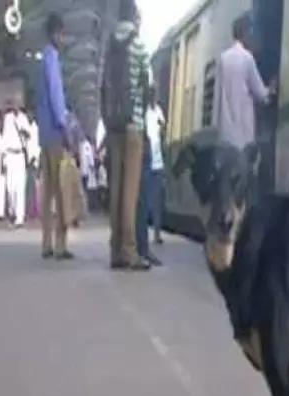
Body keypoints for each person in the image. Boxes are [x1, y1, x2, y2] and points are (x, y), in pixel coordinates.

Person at [101, 0, 150, 271]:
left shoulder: (110, 46)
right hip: (133, 126)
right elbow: (148, 84)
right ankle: (129, 251)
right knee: (130, 191)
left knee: (116, 189)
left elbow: (102, 86)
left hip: (113, 127)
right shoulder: (138, 45)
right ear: (134, 16)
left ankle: (115, 250)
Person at [36, 12, 75, 260]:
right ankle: (60, 245)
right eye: (63, 34)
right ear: (55, 34)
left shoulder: (43, 60)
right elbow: (56, 97)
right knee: (61, 191)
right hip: (55, 134)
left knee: (47, 191)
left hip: (44, 134)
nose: (65, 38)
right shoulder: (52, 60)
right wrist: (66, 128)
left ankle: (46, 243)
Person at [215, 15, 276, 151]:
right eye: (251, 31)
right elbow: (261, 95)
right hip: (243, 137)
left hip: (225, 137)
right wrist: (272, 88)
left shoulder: (223, 59)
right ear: (245, 33)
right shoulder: (247, 58)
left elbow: (218, 98)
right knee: (243, 170)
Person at [138, 85, 165, 266]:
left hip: (157, 161)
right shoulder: (142, 111)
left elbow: (163, 124)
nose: (153, 96)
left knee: (156, 201)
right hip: (146, 161)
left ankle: (155, 234)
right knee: (144, 203)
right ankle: (143, 246)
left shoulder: (157, 111)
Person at [1, 103, 31, 227]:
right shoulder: (7, 118)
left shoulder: (23, 118)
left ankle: (19, 218)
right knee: (10, 188)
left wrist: (24, 130)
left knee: (20, 188)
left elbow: (29, 135)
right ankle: (12, 212)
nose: (15, 106)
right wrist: (3, 160)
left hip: (19, 155)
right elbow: (4, 138)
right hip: (9, 155)